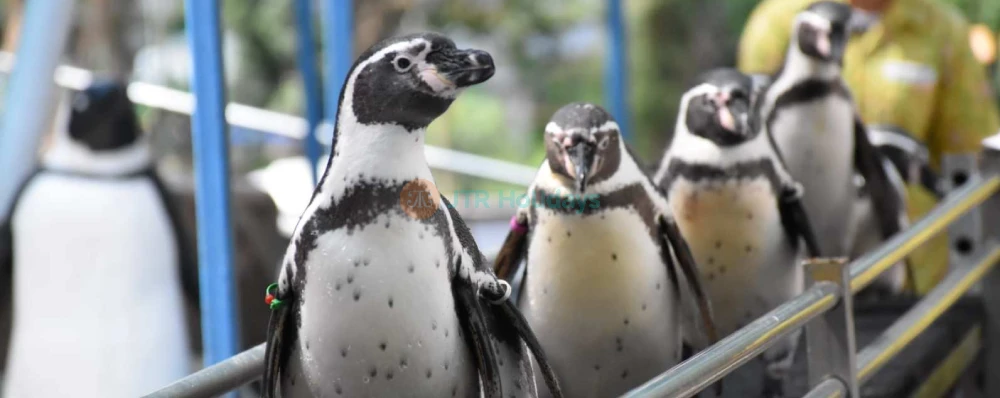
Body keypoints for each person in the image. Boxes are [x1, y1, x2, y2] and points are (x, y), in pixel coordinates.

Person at [737, 0, 1000, 295]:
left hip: (906, 269)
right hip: (799, 271)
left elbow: (971, 155)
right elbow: (750, 149)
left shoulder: (940, 28)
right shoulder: (781, 22)